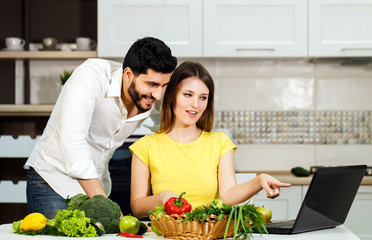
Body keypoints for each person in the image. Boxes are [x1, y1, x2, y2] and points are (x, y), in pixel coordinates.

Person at [24, 37, 177, 219]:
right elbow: (73, 140)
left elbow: (173, 127)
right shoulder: (91, 77)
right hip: (54, 183)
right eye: (151, 84)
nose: (158, 95)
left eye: (163, 85)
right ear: (128, 74)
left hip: (99, 186)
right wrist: (109, 209)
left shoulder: (151, 96)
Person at [129, 61, 291, 219]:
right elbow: (137, 207)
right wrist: (162, 198)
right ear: (171, 96)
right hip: (167, 235)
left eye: (203, 98)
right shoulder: (145, 147)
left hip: (210, 233)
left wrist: (259, 180)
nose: (195, 105)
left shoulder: (220, 143)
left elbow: (228, 195)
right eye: (188, 95)